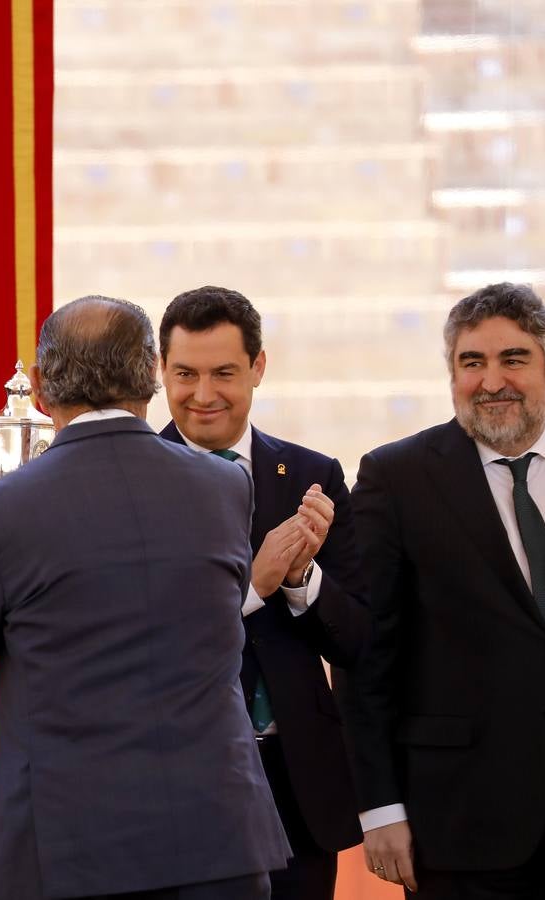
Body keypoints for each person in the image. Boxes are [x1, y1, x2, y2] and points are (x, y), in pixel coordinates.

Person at [0, 295, 289, 900]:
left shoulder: (3, 510)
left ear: (38, 386)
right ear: (150, 375)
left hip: (68, 850)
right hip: (217, 836)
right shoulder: (225, 485)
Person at [338, 282, 545, 898]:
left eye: (513, 359)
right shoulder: (396, 477)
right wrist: (380, 808)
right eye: (471, 362)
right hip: (461, 822)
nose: (491, 381)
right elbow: (365, 655)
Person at [157, 286, 369, 900]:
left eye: (224, 372)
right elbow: (142, 633)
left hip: (295, 780)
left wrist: (303, 580)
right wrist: (258, 583)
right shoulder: (132, 479)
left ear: (258, 367)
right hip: (176, 777)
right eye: (185, 374)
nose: (203, 395)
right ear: (159, 372)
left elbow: (359, 637)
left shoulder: (312, 476)